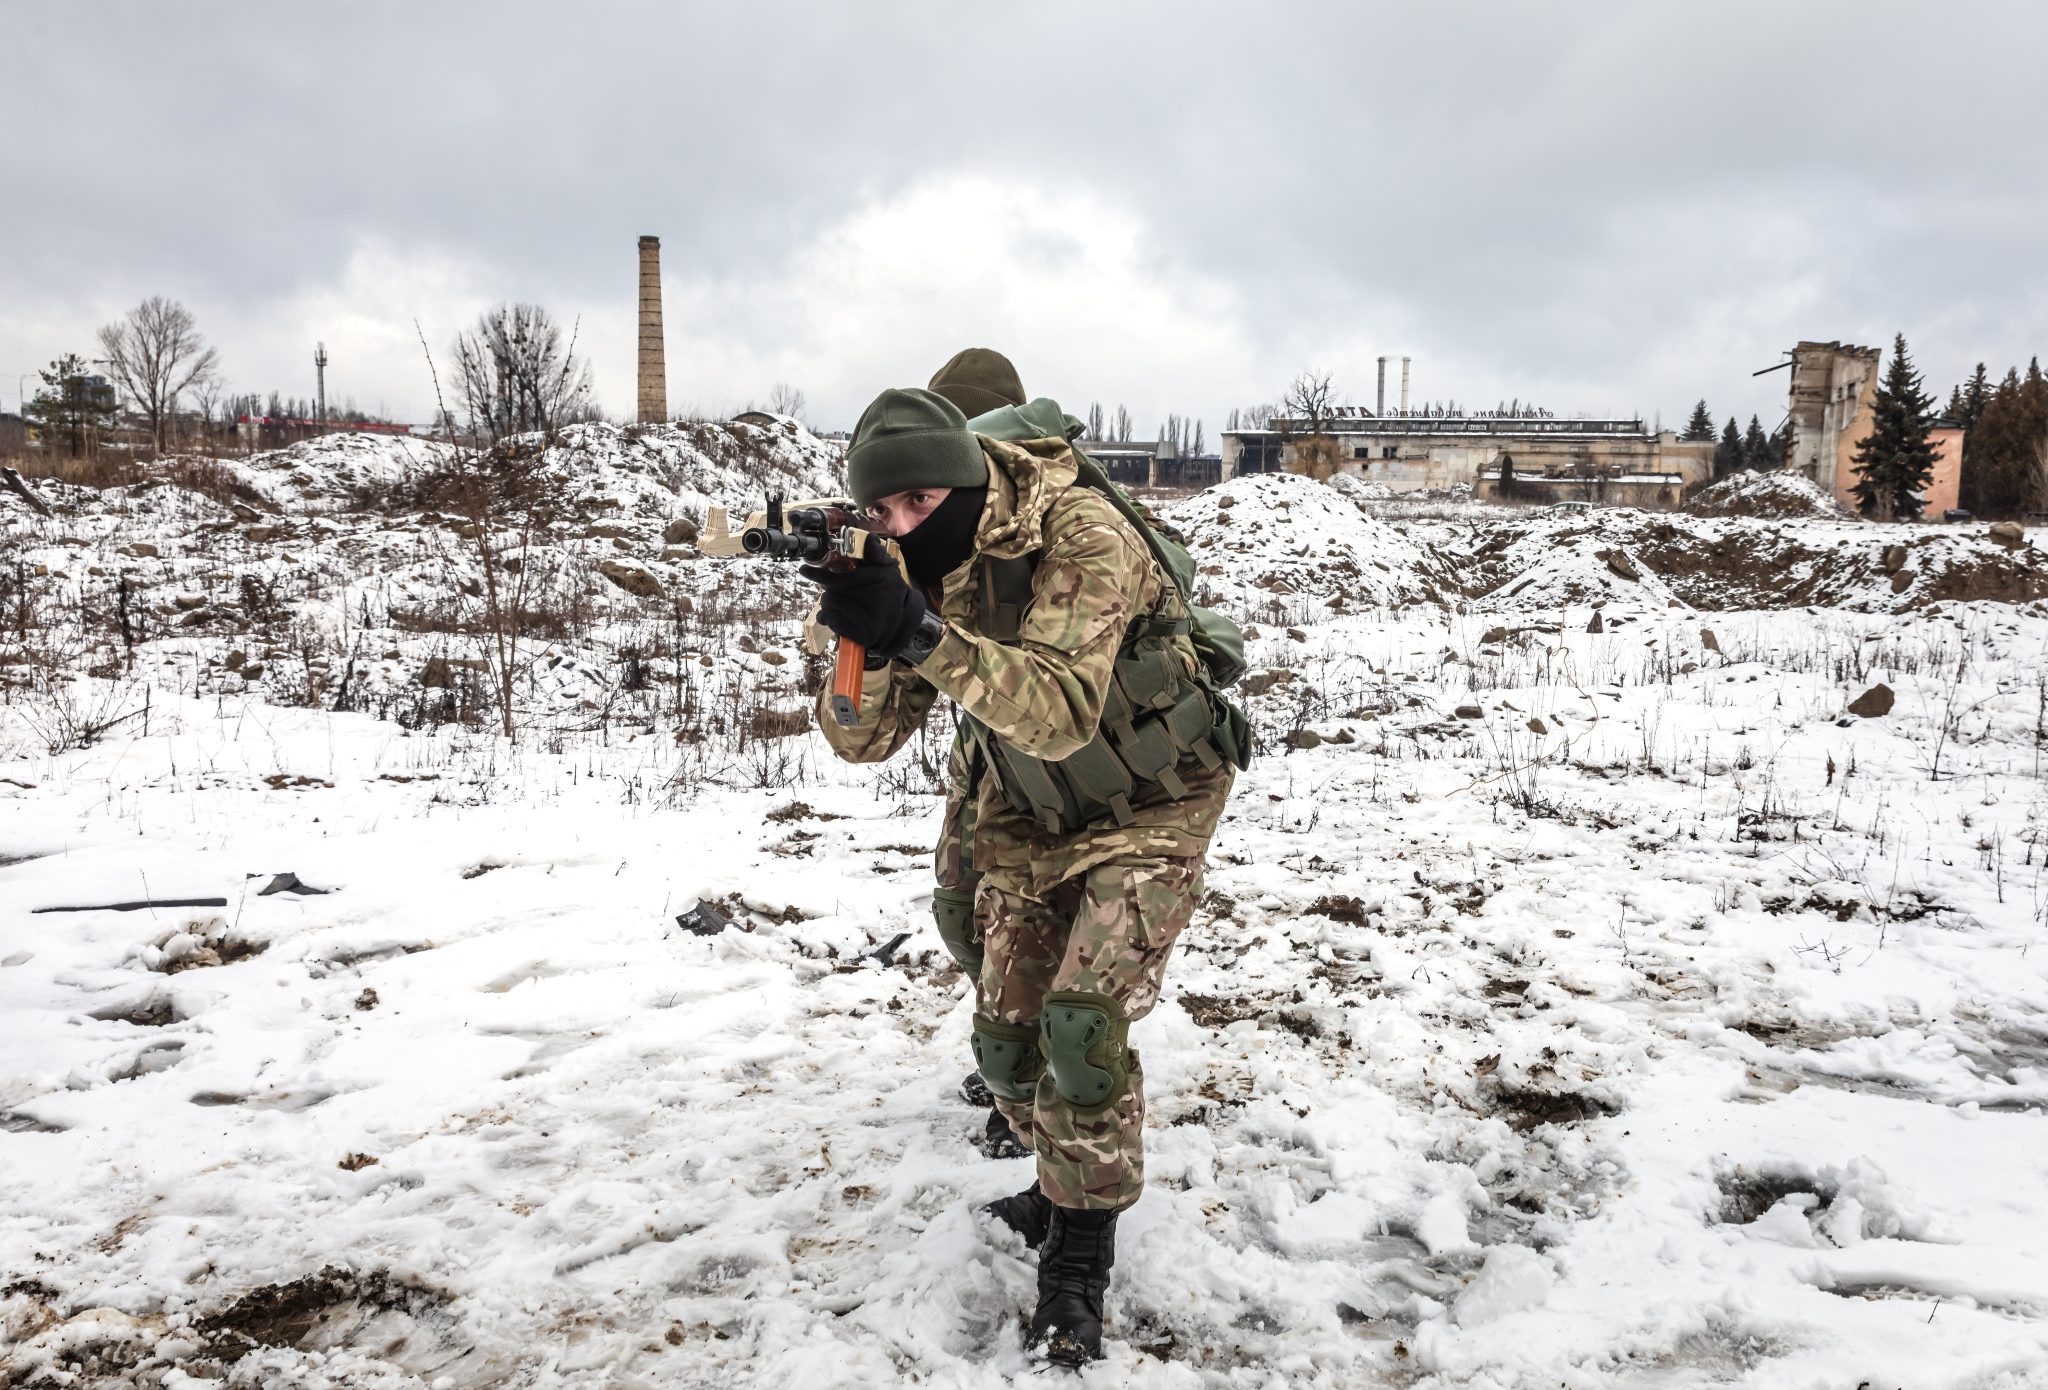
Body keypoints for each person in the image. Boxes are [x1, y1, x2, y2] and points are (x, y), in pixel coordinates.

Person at [806, 386, 1239, 1364]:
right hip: (1031, 805)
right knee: (1005, 1046)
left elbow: (1057, 709)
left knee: (1081, 1025)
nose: (907, 525)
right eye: (886, 512)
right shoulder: (907, 566)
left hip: (1154, 792)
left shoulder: (1079, 531)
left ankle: (1076, 1263)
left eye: (922, 502)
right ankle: (1056, 1182)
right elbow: (860, 740)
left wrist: (917, 630)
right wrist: (854, 631)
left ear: (962, 480)